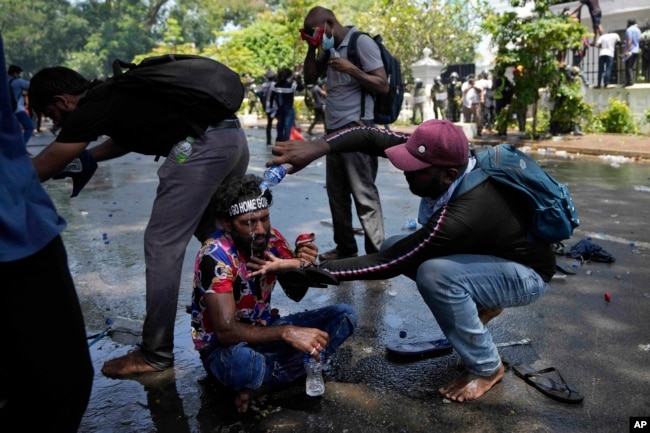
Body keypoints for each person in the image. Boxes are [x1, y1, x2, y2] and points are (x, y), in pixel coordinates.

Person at [267, 119, 554, 403]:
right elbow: (368, 135)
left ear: (449, 175)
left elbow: (392, 262)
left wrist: (308, 270)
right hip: (493, 256)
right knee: (395, 243)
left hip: (526, 275)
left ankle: (487, 367)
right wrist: (316, 147)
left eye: (416, 171)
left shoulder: (464, 212)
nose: (404, 171)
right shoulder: (440, 153)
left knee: (434, 274)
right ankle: (486, 302)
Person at [28, 64, 249, 378]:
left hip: (197, 149)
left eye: (52, 113)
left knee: (162, 244)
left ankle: (155, 352)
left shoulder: (92, 105)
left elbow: (46, 163)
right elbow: (126, 138)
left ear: (63, 100)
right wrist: (89, 157)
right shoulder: (115, 92)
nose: (56, 121)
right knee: (214, 233)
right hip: (229, 139)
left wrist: (10, 181)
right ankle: (246, 311)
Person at [190, 174, 356, 413]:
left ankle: (263, 383)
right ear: (227, 224)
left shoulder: (273, 239)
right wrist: (287, 333)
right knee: (245, 364)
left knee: (344, 316)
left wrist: (300, 263)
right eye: (249, 222)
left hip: (266, 330)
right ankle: (281, 374)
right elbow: (226, 332)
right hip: (225, 350)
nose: (260, 230)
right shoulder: (215, 255)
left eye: (264, 219)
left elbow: (295, 293)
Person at [0, 31, 93, 432]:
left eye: (54, 118)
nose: (56, 125)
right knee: (59, 385)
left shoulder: (100, 105)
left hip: (15, 225)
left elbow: (82, 143)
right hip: (13, 232)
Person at [301, 6, 387, 261]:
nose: (315, 37)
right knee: (336, 193)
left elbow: (382, 85)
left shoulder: (361, 43)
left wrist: (352, 70)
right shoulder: (327, 49)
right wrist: (311, 47)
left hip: (358, 129)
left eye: (316, 32)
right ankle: (346, 248)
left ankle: (376, 255)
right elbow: (308, 79)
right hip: (334, 133)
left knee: (364, 195)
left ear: (329, 23)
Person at [270, 67, 304, 142]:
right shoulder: (291, 85)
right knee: (287, 127)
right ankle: (286, 141)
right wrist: (297, 78)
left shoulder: (275, 86)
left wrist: (271, 109)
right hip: (289, 109)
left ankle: (279, 141)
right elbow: (301, 87)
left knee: (280, 126)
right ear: (289, 76)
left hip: (279, 109)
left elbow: (271, 98)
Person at [7, 64, 34, 148]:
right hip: (18, 109)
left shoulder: (6, 81)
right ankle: (21, 147)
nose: (20, 75)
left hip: (8, 109)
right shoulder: (18, 81)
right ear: (15, 73)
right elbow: (32, 85)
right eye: (19, 73)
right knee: (29, 127)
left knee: (13, 130)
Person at [259, 69, 277, 146]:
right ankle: (279, 139)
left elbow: (262, 96)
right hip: (276, 105)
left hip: (267, 105)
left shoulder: (264, 85)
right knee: (280, 123)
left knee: (269, 123)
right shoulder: (275, 84)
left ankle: (268, 140)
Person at [623, 18, 641, 87]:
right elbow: (639, 39)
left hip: (630, 50)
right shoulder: (638, 30)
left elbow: (630, 40)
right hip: (636, 50)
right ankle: (628, 81)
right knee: (631, 66)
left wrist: (627, 50)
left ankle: (629, 81)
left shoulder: (629, 30)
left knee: (628, 66)